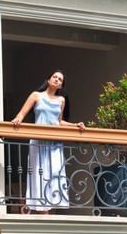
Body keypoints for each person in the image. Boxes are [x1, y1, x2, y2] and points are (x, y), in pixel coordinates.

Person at [10, 70, 84, 213]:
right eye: (55, 77)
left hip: (55, 143)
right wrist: (17, 120)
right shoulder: (36, 95)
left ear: (61, 85)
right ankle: (42, 210)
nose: (57, 80)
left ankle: (48, 210)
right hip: (39, 141)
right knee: (40, 172)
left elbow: (58, 121)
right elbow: (21, 114)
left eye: (60, 79)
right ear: (48, 80)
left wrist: (75, 125)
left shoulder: (61, 100)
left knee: (55, 173)